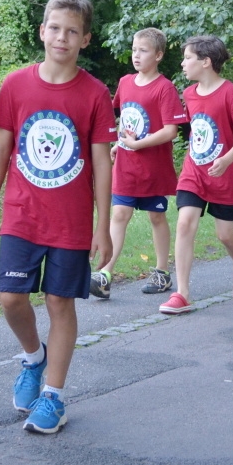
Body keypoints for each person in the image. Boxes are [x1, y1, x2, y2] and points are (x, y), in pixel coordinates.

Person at [0, 0, 116, 433]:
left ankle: (53, 397)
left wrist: (103, 227)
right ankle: (33, 359)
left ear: (85, 40)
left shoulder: (94, 94)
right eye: (55, 28)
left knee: (59, 302)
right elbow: (1, 149)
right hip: (22, 214)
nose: (62, 37)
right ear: (42, 32)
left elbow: (100, 161)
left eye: (72, 31)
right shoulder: (16, 85)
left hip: (71, 222)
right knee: (12, 298)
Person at [159, 35, 233, 315]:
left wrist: (225, 160)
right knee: (185, 223)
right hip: (194, 172)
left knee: (225, 235)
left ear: (206, 61)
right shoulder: (188, 94)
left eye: (188, 57)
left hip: (225, 173)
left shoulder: (230, 93)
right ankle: (182, 293)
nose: (183, 63)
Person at [90, 28, 188, 299]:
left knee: (156, 216)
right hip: (125, 165)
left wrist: (137, 145)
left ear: (158, 55)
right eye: (134, 50)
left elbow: (171, 131)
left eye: (143, 50)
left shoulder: (164, 88)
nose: (136, 55)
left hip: (153, 169)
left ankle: (162, 272)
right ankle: (105, 274)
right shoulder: (125, 82)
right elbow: (127, 119)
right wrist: (119, 144)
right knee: (119, 214)